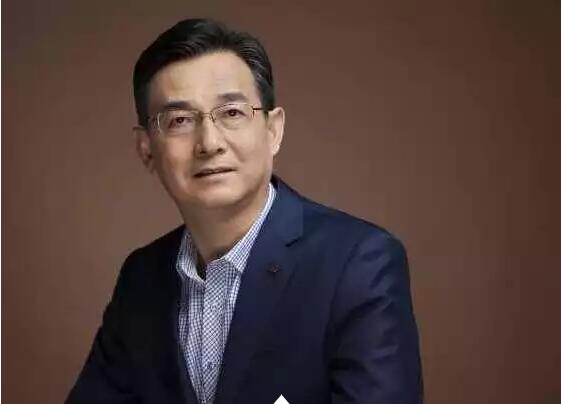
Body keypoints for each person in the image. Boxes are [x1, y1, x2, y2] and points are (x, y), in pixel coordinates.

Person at [65, 18, 423, 404]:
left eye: (232, 113)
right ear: (147, 149)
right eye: (180, 120)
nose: (209, 143)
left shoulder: (358, 263)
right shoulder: (142, 278)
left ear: (273, 131)